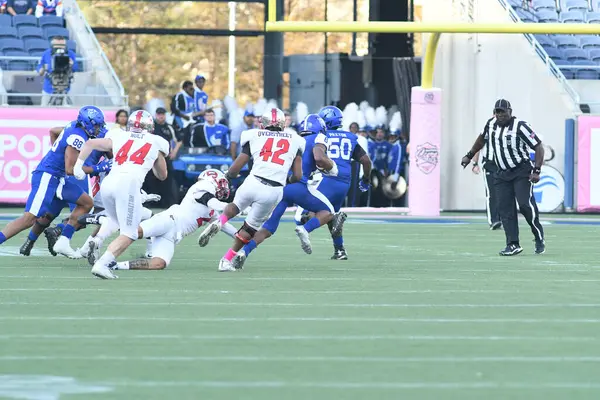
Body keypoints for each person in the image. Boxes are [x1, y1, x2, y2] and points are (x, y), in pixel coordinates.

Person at [196, 108, 306, 272]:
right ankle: (226, 260)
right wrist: (287, 180)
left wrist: (229, 176)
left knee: (235, 205)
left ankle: (221, 221)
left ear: (264, 123)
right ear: (283, 124)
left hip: (253, 180)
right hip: (273, 189)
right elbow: (298, 175)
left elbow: (235, 168)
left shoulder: (254, 135)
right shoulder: (296, 140)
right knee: (249, 228)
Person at [229, 114, 340, 270]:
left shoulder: (293, 138)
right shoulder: (318, 138)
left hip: (279, 187)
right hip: (297, 185)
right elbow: (319, 157)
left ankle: (243, 252)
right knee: (329, 211)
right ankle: (304, 229)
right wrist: (332, 167)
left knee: (269, 227)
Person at [74, 110, 170, 279]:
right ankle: (102, 264)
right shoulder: (157, 141)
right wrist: (157, 157)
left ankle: (95, 238)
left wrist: (77, 166)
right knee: (130, 232)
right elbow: (162, 176)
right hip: (128, 184)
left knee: (115, 220)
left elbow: (89, 143)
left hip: (109, 183)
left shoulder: (118, 135)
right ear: (151, 127)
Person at [0, 106, 104, 258]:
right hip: (47, 176)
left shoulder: (74, 125)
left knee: (87, 203)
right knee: (29, 219)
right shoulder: (78, 137)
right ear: (87, 123)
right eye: (96, 125)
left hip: (58, 178)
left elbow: (54, 131)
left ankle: (63, 241)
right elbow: (71, 170)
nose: (98, 129)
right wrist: (97, 168)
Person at [461, 99, 545, 256]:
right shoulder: (490, 124)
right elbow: (481, 140)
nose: (500, 115)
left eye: (503, 112)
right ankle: (513, 244)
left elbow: (538, 146)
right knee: (505, 209)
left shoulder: (520, 126)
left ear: (510, 112)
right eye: (497, 112)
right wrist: (470, 155)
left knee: (524, 205)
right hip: (501, 172)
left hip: (521, 170)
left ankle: (538, 235)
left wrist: (537, 170)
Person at [112, 169, 237, 271]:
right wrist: (234, 207)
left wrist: (242, 238)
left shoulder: (211, 211)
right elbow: (211, 201)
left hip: (172, 236)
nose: (224, 187)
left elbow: (225, 226)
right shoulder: (202, 187)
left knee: (159, 263)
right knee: (134, 233)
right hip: (169, 220)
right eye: (221, 182)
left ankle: (115, 266)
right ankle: (106, 250)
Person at [19, 125, 112, 257]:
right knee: (84, 214)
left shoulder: (76, 130)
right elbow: (112, 159)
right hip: (78, 175)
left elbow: (52, 131)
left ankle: (29, 241)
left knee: (50, 212)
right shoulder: (106, 137)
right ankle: (57, 231)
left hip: (62, 174)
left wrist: (58, 151)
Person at [317, 105, 372, 260]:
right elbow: (366, 161)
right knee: (330, 214)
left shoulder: (321, 136)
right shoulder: (350, 137)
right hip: (344, 182)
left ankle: (335, 219)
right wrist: (366, 179)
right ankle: (339, 250)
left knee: (305, 214)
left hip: (325, 179)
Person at [143, 107, 179, 207]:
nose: (161, 116)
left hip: (165, 157)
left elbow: (177, 140)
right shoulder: (151, 127)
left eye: (162, 114)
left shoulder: (169, 128)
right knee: (150, 179)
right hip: (151, 157)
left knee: (168, 179)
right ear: (156, 115)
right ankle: (150, 202)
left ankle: (167, 203)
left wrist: (174, 151)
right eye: (159, 114)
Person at [37, 36, 77, 106]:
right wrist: (43, 68)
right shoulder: (46, 53)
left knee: (66, 112)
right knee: (45, 110)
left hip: (65, 87)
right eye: (57, 46)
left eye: (62, 46)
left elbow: (75, 68)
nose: (59, 48)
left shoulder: (71, 54)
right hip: (49, 87)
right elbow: (40, 69)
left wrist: (72, 64)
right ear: (52, 46)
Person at [471, 139, 502, 230]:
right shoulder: (486, 131)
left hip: (504, 166)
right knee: (492, 193)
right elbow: (477, 146)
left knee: (504, 194)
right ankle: (494, 220)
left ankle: (503, 219)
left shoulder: (507, 131)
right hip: (490, 165)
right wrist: (475, 163)